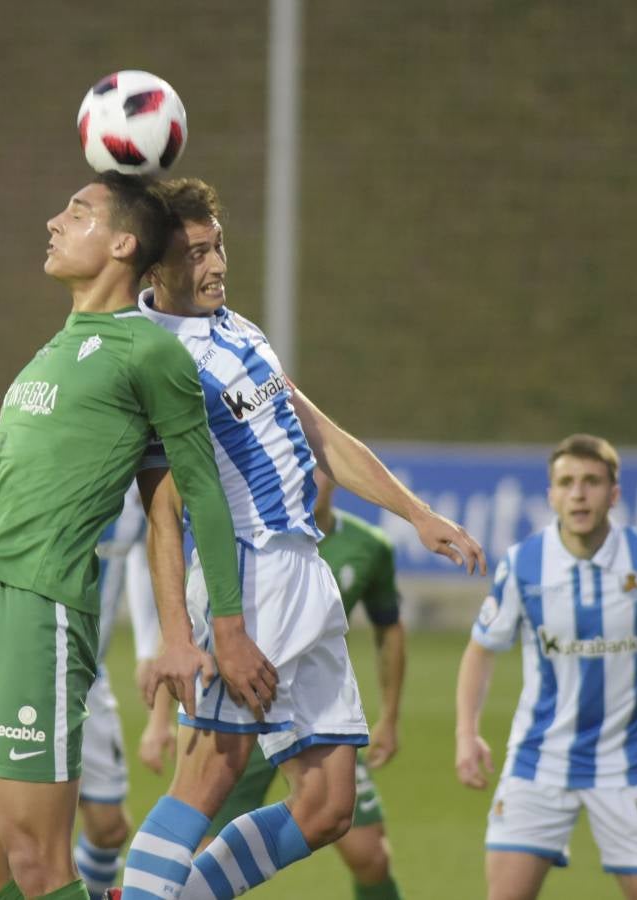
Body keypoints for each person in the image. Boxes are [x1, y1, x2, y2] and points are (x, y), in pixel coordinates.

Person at [115, 178, 486, 900]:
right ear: (156, 269)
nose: (216, 263)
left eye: (218, 244)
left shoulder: (240, 330)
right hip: (244, 575)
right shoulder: (155, 354)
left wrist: (415, 513)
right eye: (195, 253)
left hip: (303, 571)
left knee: (327, 807)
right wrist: (194, 630)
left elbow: (319, 433)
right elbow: (159, 509)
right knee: (211, 772)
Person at [0, 172, 256, 900]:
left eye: (77, 211)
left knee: (36, 859)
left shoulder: (149, 353)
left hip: (39, 610)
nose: (54, 222)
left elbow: (196, 496)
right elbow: (31, 487)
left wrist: (221, 626)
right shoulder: (56, 347)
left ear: (123, 243)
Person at [454, 434, 637, 900]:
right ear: (551, 494)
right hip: (539, 761)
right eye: (567, 482)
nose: (579, 493)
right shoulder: (523, 565)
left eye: (592, 482)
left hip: (629, 762)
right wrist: (465, 733)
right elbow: (481, 648)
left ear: (613, 494)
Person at [0, 488, 160, 900]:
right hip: (27, 663)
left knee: (109, 826)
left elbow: (144, 561)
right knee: (14, 852)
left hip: (88, 677)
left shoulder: (132, 495)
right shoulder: (43, 465)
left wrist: (149, 648)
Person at [196, 468, 410, 900]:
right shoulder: (244, 537)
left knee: (370, 855)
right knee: (203, 854)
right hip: (248, 709)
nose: (305, 477)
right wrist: (161, 721)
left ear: (335, 477)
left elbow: (389, 630)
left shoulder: (368, 547)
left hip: (318, 712)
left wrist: (389, 716)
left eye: (318, 469)